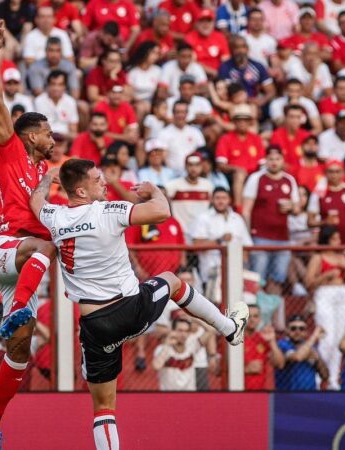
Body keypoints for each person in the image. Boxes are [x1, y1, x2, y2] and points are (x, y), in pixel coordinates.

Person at [29, 158, 246, 450]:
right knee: (172, 280)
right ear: (81, 191)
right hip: (129, 310)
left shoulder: (53, 216)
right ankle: (229, 328)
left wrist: (48, 178)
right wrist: (155, 190)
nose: (104, 182)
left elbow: (36, 199)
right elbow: (162, 211)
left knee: (104, 407)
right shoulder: (107, 211)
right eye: (97, 179)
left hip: (93, 326)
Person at [0, 22, 59, 448]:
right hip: (7, 248)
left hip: (27, 263)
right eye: (47, 132)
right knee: (42, 246)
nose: (53, 138)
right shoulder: (9, 148)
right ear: (30, 135)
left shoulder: (43, 173)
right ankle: (18, 309)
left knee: (20, 350)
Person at [243, 147, 300, 295]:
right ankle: (255, 314)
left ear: (283, 161)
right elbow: (246, 209)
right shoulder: (256, 178)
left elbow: (297, 209)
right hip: (260, 236)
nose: (274, 162)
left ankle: (272, 314)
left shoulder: (289, 180)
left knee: (278, 278)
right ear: (266, 161)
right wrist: (248, 236)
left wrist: (291, 207)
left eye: (277, 159)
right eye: (271, 159)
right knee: (257, 278)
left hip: (282, 237)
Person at [304, 225, 345, 390]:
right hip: (325, 292)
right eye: (334, 238)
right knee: (327, 337)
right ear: (327, 239)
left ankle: (333, 379)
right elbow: (308, 283)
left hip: (342, 294)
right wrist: (325, 276)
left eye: (338, 238)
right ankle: (319, 377)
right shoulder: (318, 258)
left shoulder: (342, 257)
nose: (338, 241)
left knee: (339, 337)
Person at [153, 317, 218, 391]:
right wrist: (167, 344)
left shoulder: (192, 344)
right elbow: (156, 366)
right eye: (180, 330)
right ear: (172, 331)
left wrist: (196, 319)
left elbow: (211, 330)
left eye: (186, 331)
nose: (183, 334)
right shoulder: (163, 349)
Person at [307, 160, 345, 243]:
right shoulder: (318, 193)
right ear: (325, 173)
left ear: (343, 172)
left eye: (338, 171)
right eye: (331, 172)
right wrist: (325, 222)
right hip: (326, 244)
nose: (334, 175)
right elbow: (310, 222)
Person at [164, 152, 213, 240]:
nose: (193, 168)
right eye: (190, 165)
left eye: (197, 165)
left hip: (201, 233)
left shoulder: (208, 186)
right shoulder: (172, 185)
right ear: (185, 166)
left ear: (202, 166)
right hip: (181, 232)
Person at [274, 315, 329, 391]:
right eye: (293, 328)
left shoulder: (312, 346)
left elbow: (325, 376)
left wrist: (318, 359)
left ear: (306, 332)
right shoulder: (282, 344)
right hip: (287, 394)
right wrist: (315, 336)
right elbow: (298, 357)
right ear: (287, 330)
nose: (298, 332)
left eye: (301, 329)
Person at [243, 304, 283, 390]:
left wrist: (272, 341)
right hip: (236, 391)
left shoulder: (263, 338)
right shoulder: (234, 340)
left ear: (260, 319)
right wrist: (246, 370)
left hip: (259, 391)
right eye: (248, 316)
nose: (252, 319)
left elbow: (280, 364)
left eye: (255, 316)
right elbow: (219, 370)